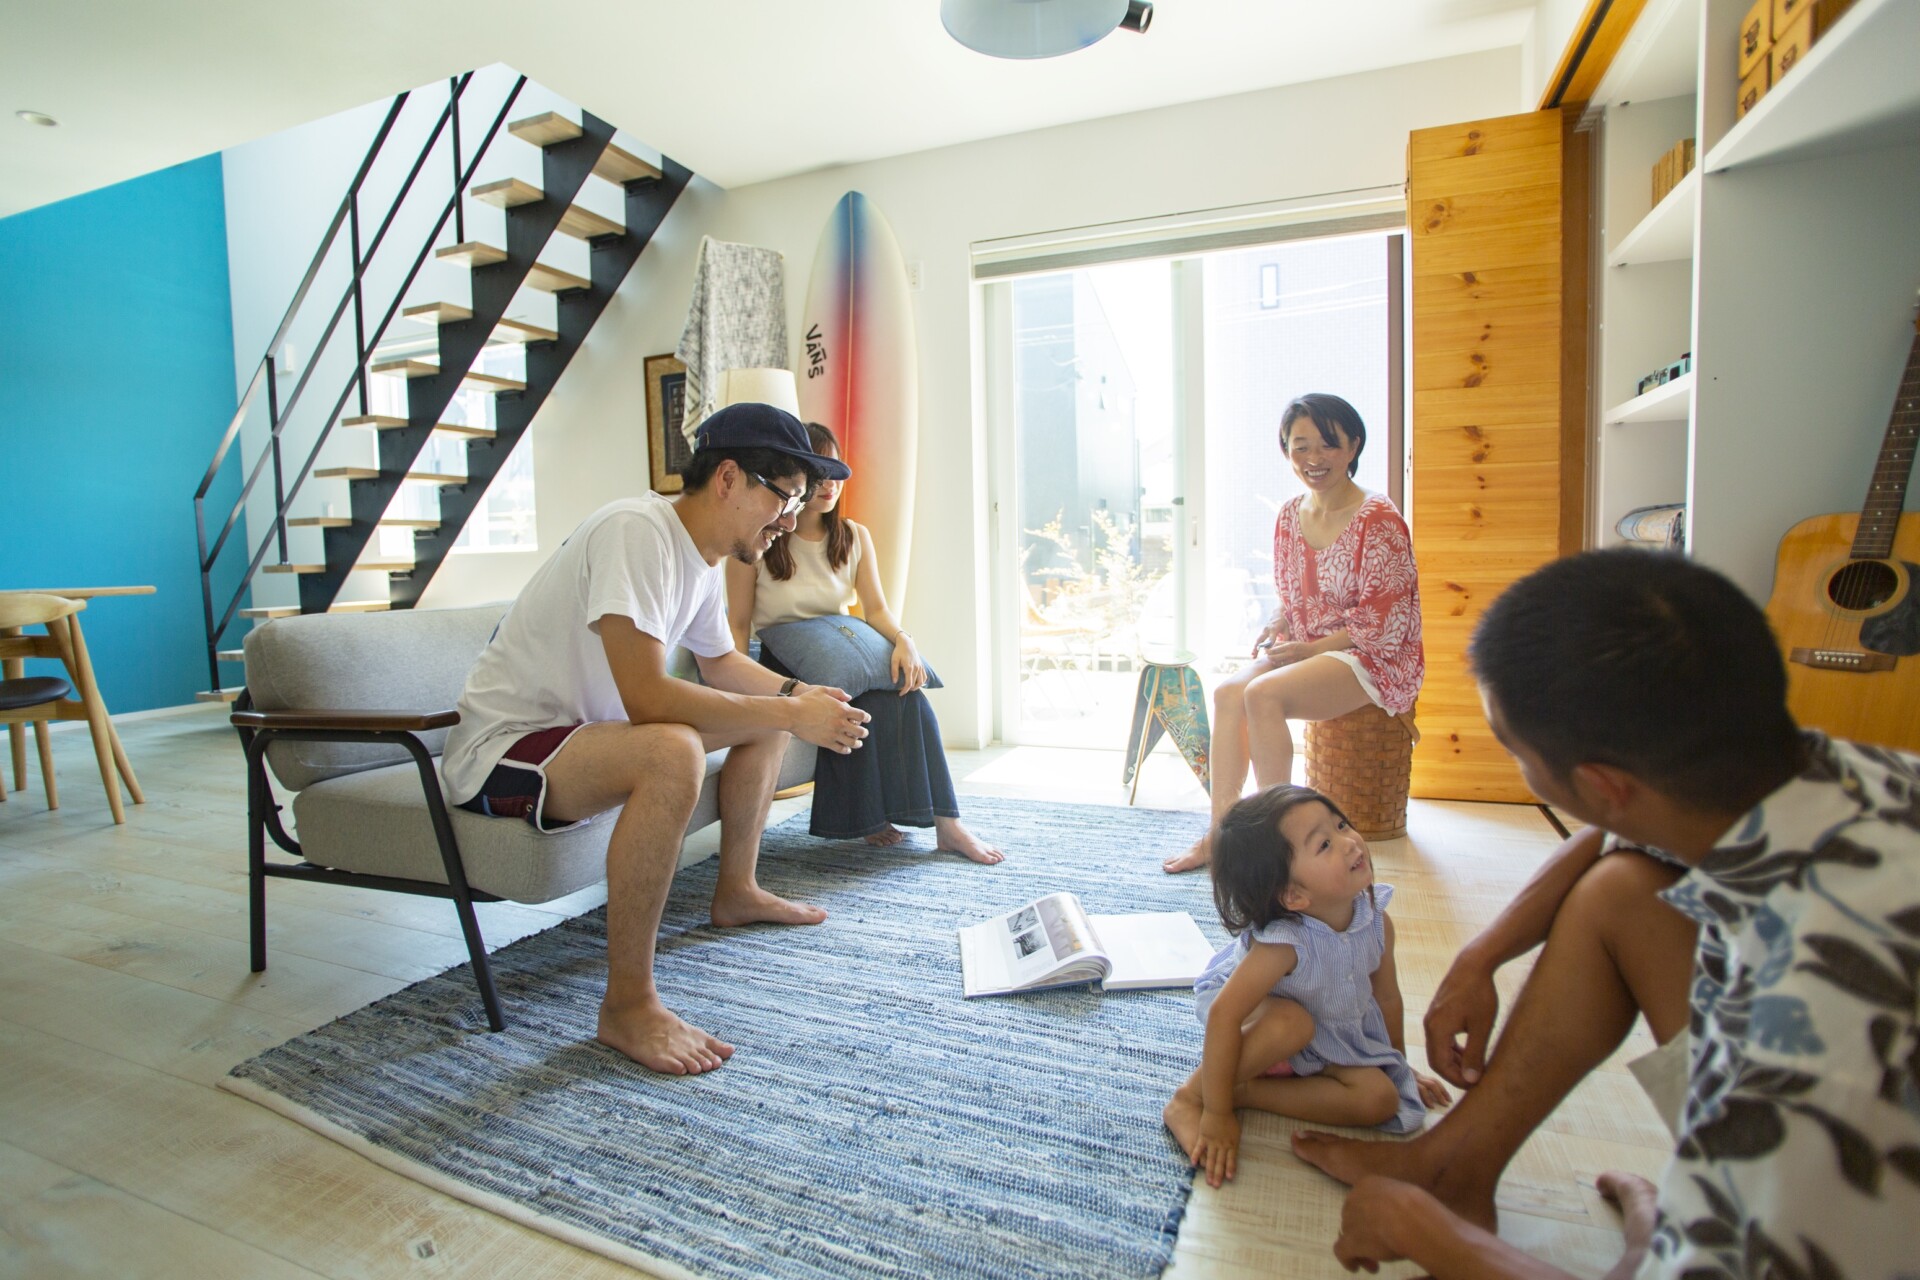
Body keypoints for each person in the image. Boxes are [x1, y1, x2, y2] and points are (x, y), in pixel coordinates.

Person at [1288, 549, 1920, 1280]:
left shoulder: (1812, 1052)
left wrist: (1431, 1240)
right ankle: (1454, 1170)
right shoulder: (1844, 772)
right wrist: (1482, 955)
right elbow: (1615, 834)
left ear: (1602, 785)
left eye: (1515, 750)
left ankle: (1454, 1207)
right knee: (1619, 891)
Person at [440, 402, 872, 1077]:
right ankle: (628, 1005)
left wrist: (797, 697)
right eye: (785, 497)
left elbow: (721, 662)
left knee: (765, 716)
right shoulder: (635, 531)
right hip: (506, 750)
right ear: (728, 478)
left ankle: (737, 890)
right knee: (673, 750)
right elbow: (647, 697)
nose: (791, 520)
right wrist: (791, 712)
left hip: (583, 737)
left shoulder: (699, 558)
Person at [1164, 394, 1422, 874]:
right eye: (1300, 446)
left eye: (1328, 445)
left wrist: (1312, 648)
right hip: (1309, 647)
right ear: (1286, 451)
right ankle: (1221, 834)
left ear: (1353, 447)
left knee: (1262, 694)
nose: (1313, 458)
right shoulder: (1288, 515)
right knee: (1228, 692)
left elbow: (1384, 620)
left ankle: (1277, 842)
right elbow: (1298, 593)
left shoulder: (1379, 518)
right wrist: (1280, 619)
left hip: (1370, 654)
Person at [724, 422, 1002, 864]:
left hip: (841, 646)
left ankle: (948, 825)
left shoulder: (853, 536)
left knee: (908, 696)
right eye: (819, 473)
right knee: (847, 698)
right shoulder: (761, 537)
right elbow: (738, 624)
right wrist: (741, 690)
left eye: (836, 471)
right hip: (784, 660)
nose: (830, 484)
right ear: (796, 477)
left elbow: (876, 609)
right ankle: (867, 817)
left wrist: (904, 642)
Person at [1163, 784, 1450, 1189]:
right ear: (1293, 895)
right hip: (1263, 1022)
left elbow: (1387, 998)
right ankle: (1192, 1096)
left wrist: (1398, 1065)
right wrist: (1216, 1114)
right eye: (1325, 844)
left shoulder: (1376, 922)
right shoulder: (1284, 944)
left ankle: (1243, 1090)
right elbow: (1226, 1014)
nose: (1350, 842)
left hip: (1325, 1029)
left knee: (1381, 1098)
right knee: (1293, 1022)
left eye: (1341, 825)